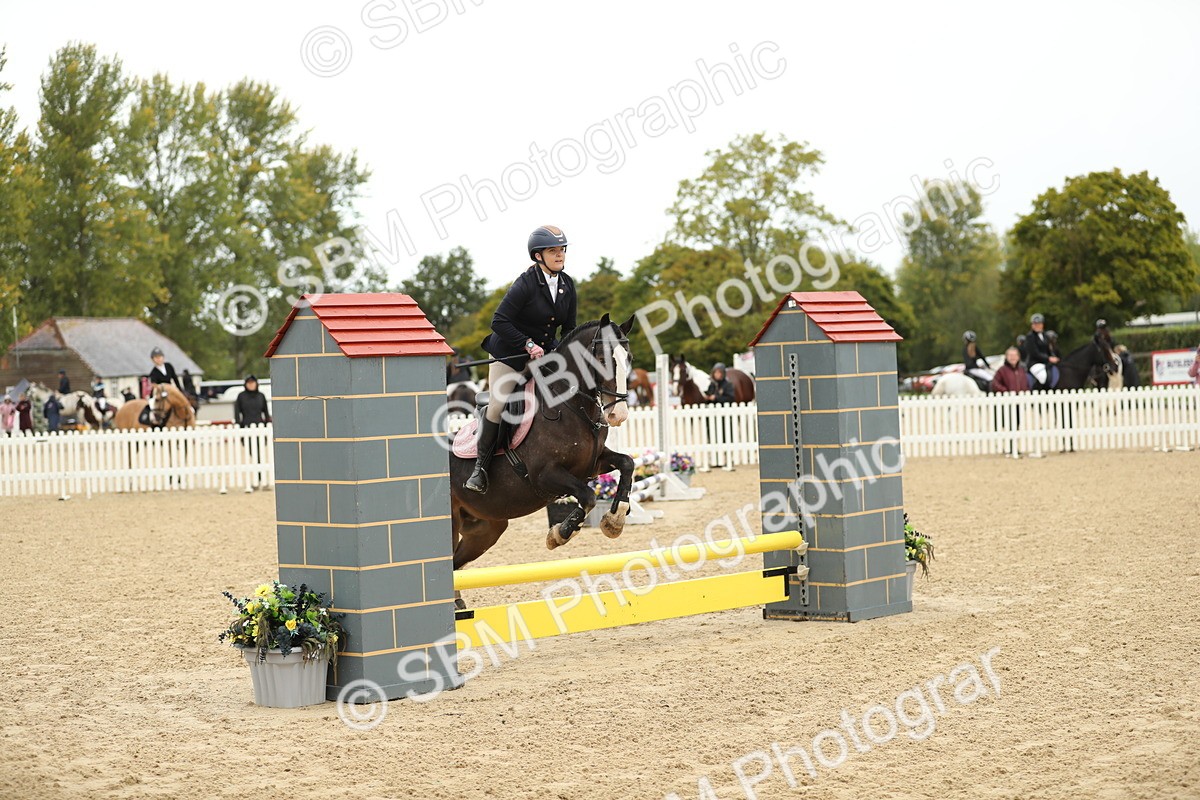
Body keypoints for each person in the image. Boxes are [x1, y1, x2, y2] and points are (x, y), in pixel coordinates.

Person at [467, 225, 577, 494]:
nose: (560, 255)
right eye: (553, 251)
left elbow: (569, 329)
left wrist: (562, 354)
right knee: (499, 402)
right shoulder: (526, 283)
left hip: (542, 354)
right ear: (538, 256)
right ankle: (480, 469)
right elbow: (499, 321)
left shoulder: (567, 285)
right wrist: (528, 344)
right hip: (509, 353)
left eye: (562, 249)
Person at [1025, 313, 1058, 390]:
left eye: (1039, 324)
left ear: (1042, 324)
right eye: (1035, 324)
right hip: (1035, 363)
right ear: (1032, 325)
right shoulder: (1030, 337)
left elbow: (1048, 350)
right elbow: (1034, 353)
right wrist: (1049, 358)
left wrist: (1053, 357)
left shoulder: (1045, 335)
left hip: (1046, 362)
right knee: (1043, 377)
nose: (1037, 326)